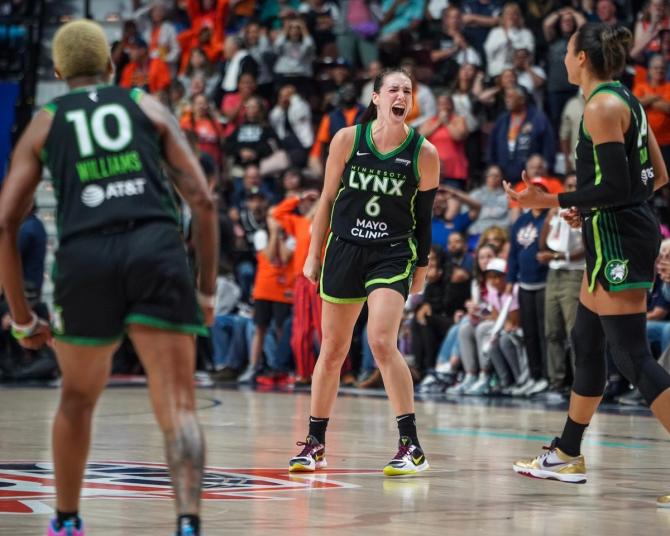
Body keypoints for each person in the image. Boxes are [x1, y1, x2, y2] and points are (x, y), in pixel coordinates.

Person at [0, 20, 218, 535]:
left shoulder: (46, 120)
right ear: (112, 66)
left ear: (57, 71)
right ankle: (188, 524)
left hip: (85, 257)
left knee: (76, 400)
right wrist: (206, 290)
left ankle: (69, 521)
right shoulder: (144, 104)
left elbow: (8, 220)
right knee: (180, 405)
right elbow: (204, 202)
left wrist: (23, 316)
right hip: (155, 249)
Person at [504, 23, 670, 507]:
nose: (563, 59)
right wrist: (588, 205)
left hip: (620, 239)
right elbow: (656, 175)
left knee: (632, 357)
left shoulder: (600, 106)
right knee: (586, 341)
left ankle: (569, 454)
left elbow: (619, 188)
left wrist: (551, 199)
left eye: (568, 51)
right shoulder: (627, 100)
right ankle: (568, 454)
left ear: (580, 58)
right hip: (611, 231)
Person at [288, 68, 439, 476]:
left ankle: (411, 445)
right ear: (375, 98)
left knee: (381, 341)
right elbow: (327, 198)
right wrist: (313, 253)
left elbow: (423, 220)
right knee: (333, 350)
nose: (401, 95)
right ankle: (315, 443)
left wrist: (421, 268)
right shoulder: (346, 140)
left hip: (392, 252)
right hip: (344, 248)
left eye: (408, 90)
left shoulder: (424, 153)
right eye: (394, 89)